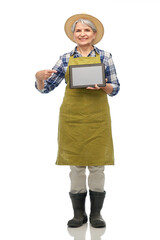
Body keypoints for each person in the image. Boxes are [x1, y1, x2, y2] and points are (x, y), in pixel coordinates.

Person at [35, 13, 120, 228]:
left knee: (98, 167)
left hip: (97, 120)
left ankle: (97, 215)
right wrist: (39, 77)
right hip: (72, 120)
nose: (82, 34)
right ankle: (79, 214)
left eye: (87, 30)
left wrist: (104, 86)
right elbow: (46, 89)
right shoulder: (64, 58)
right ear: (73, 35)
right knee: (76, 168)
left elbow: (116, 87)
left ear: (94, 34)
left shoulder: (105, 56)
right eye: (78, 31)